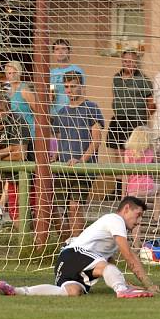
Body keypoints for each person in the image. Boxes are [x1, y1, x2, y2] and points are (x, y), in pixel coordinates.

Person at [0, 196, 160, 298]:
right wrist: (148, 284)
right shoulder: (116, 220)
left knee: (72, 291)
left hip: (66, 259)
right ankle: (121, 292)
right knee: (108, 269)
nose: (138, 221)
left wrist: (125, 282)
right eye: (138, 215)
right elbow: (129, 256)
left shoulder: (110, 229)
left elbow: (108, 267)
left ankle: (16, 290)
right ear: (126, 209)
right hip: (77, 253)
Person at [53, 71, 105, 240]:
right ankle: (65, 244)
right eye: (66, 87)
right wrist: (55, 156)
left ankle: (76, 244)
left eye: (73, 86)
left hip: (83, 167)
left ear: (82, 87)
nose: (70, 90)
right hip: (63, 167)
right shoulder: (61, 112)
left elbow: (96, 140)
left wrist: (81, 160)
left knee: (75, 206)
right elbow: (59, 139)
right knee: (58, 209)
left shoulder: (91, 108)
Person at [0, 96, 30, 246]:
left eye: (0, 111)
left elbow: (21, 155)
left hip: (30, 177)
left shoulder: (18, 122)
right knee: (17, 218)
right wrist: (9, 149)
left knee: (47, 217)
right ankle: (29, 247)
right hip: (11, 179)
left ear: (8, 111)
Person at [106, 49, 153, 199]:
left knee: (133, 155)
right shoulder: (116, 78)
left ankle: (133, 187)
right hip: (119, 119)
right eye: (126, 61)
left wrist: (142, 119)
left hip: (135, 121)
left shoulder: (143, 79)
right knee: (118, 155)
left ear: (136, 62)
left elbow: (151, 103)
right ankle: (119, 188)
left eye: (132, 61)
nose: (129, 64)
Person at [49, 39, 86, 116]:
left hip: (72, 114)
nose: (60, 52)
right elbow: (52, 93)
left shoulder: (76, 70)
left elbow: (82, 93)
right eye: (57, 49)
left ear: (69, 51)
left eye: (63, 48)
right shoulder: (52, 73)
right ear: (53, 53)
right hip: (55, 115)